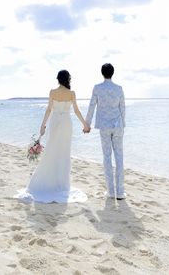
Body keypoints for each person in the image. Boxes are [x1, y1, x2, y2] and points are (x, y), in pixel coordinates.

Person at [15, 70, 89, 203]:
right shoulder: (71, 93)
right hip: (66, 123)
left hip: (54, 122)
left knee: (51, 150)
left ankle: (48, 181)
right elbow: (76, 110)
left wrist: (43, 125)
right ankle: (62, 184)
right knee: (64, 152)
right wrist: (85, 124)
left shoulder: (52, 92)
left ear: (58, 79)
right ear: (68, 79)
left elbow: (49, 109)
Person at [85, 63, 126, 200]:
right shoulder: (119, 88)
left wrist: (87, 124)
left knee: (107, 157)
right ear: (112, 73)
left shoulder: (97, 88)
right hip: (118, 125)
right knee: (119, 157)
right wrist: (123, 124)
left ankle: (111, 191)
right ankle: (120, 192)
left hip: (104, 126)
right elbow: (122, 108)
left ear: (102, 73)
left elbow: (91, 106)